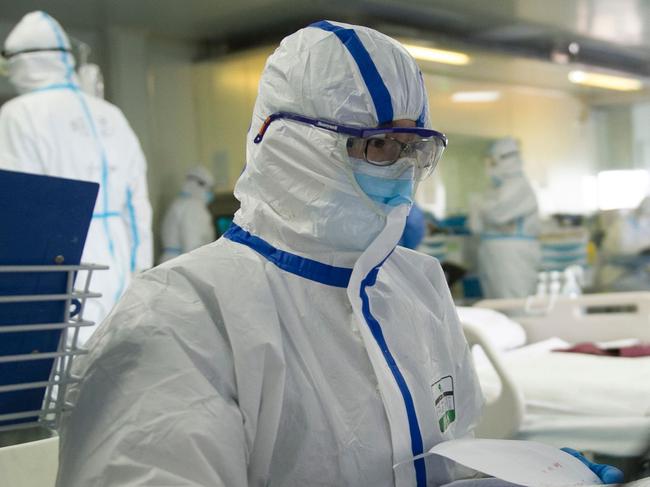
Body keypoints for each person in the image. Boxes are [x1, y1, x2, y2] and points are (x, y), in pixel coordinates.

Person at [56, 21, 621, 487]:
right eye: (376, 145)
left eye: (413, 148)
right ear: (290, 143)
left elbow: (445, 463)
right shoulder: (185, 315)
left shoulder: (416, 286)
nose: (400, 170)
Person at [0, 11, 153, 342]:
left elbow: (19, 210)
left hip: (61, 263)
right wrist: (140, 268)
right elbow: (137, 201)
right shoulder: (111, 115)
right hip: (120, 262)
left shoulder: (17, 115)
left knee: (61, 374)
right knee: (118, 363)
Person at [469, 138, 540, 299]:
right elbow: (477, 224)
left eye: (493, 162)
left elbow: (496, 214)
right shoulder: (496, 188)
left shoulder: (519, 186)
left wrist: (478, 205)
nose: (490, 167)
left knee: (515, 306)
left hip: (512, 257)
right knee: (497, 308)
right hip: (496, 255)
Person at [159, 166, 216, 263]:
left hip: (173, 262)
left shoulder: (180, 203)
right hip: (182, 263)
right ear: (200, 186)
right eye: (209, 189)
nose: (210, 193)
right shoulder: (193, 206)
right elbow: (191, 245)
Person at [600, 195, 650, 291]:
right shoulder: (622, 225)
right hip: (617, 276)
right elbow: (623, 253)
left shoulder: (644, 225)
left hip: (637, 274)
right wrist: (644, 253)